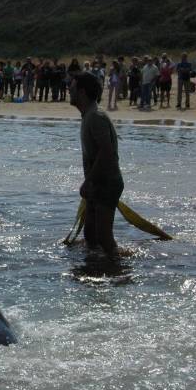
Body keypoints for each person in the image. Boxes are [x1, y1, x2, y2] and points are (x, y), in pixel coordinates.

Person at [69, 72, 123, 257]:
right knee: (91, 236)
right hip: (97, 184)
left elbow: (107, 152)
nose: (69, 91)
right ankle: (96, 268)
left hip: (107, 184)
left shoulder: (95, 117)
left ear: (82, 92)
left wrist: (88, 181)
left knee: (104, 239)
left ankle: (118, 268)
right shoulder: (88, 115)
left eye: (72, 88)